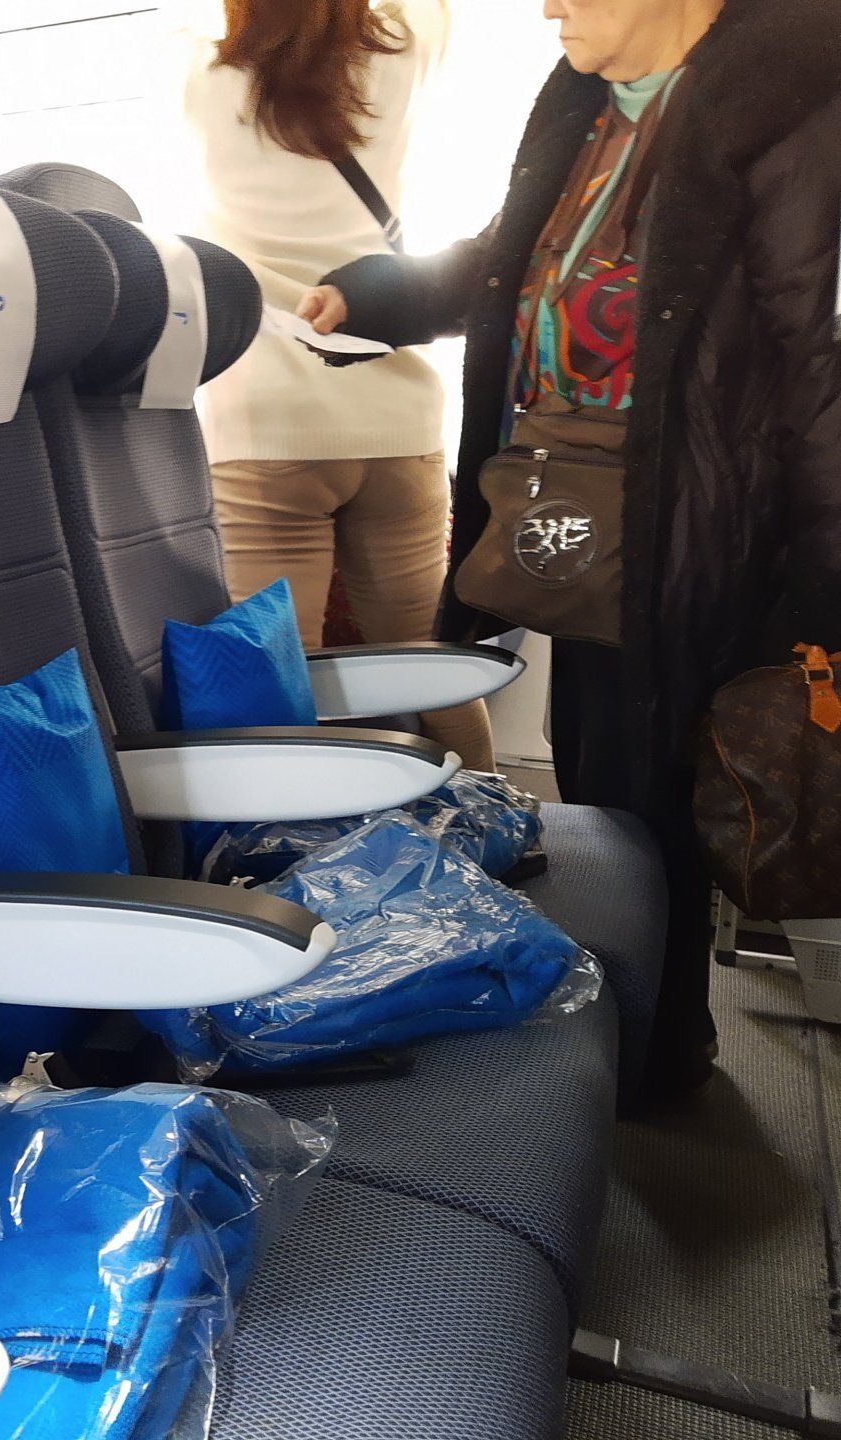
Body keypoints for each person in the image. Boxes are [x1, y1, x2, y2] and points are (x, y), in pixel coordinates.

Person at [297, 0, 841, 1102]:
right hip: (587, 514)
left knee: (657, 795)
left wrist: (826, 575)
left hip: (704, 519)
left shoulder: (785, 105)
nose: (547, 4)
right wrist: (373, 292)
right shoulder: (590, 107)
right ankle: (631, 1043)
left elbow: (815, 356)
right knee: (600, 777)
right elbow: (507, 261)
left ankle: (656, 1059)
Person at [180, 0, 496, 771]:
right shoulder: (406, 45)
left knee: (278, 686)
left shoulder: (201, 71)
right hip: (395, 411)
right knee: (430, 669)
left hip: (265, 417)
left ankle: (301, 846)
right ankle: (500, 821)